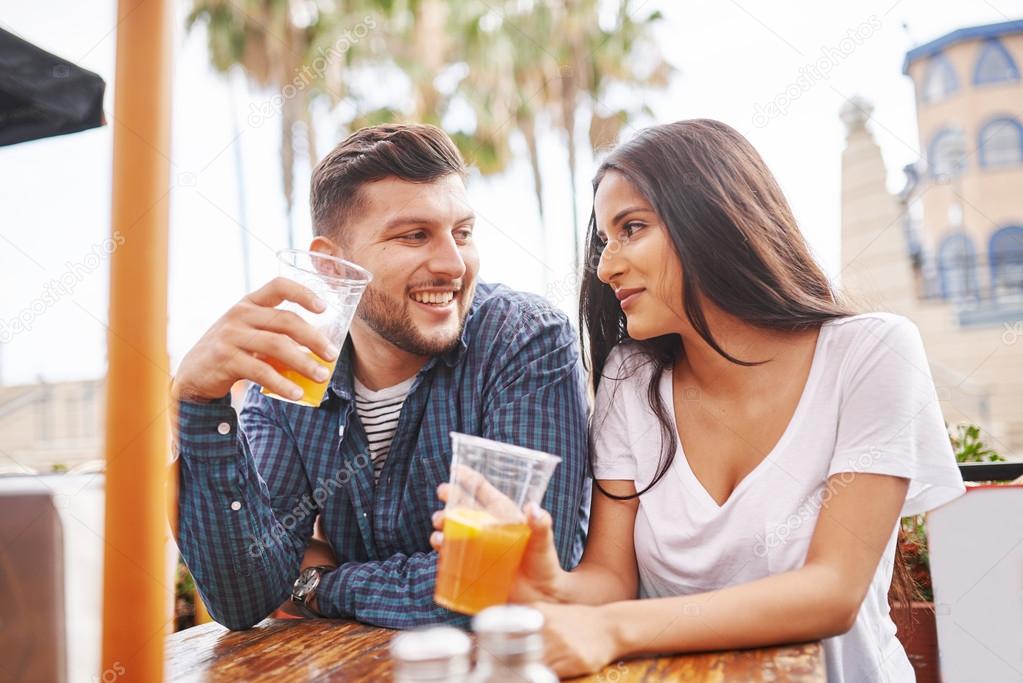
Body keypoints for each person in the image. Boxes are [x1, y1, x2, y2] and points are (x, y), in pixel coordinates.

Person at [431, 119, 965, 680]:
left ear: (713, 218)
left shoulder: (870, 352)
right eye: (604, 241)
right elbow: (611, 580)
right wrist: (551, 583)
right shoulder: (629, 381)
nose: (606, 266)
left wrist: (614, 628)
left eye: (631, 228)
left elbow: (831, 591)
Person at [171, 123, 589, 630]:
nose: (453, 264)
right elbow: (243, 599)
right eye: (415, 235)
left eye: (462, 233)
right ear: (331, 264)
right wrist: (200, 404)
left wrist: (321, 583)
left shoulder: (524, 341)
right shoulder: (290, 380)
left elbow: (510, 583)